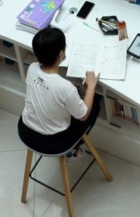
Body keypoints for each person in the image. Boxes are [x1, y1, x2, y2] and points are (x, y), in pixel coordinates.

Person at [18, 27, 101, 157]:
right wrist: (91, 86)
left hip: (26, 130)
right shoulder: (65, 87)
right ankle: (73, 150)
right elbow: (83, 115)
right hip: (54, 141)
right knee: (95, 103)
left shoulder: (32, 68)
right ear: (61, 54)